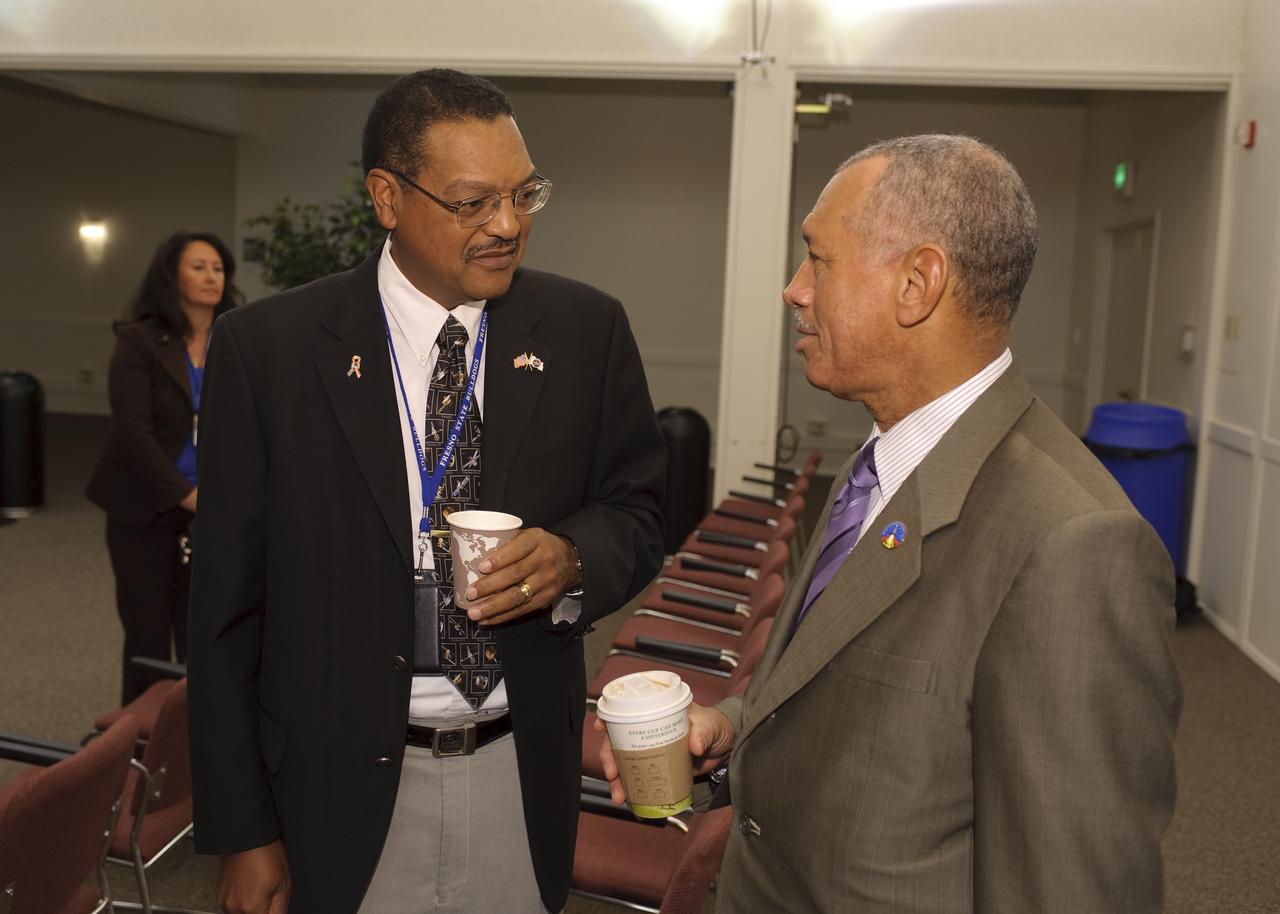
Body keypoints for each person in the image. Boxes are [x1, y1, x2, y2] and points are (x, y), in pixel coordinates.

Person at [600, 134, 1182, 913]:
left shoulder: (1074, 544)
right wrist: (732, 727)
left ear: (918, 284)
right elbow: (847, 682)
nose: (794, 289)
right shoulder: (885, 457)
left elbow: (1070, 886)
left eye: (819, 260)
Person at [187, 68, 666, 914]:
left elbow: (640, 511)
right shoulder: (269, 352)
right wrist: (241, 829)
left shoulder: (587, 331)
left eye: (524, 195)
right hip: (334, 782)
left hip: (518, 770)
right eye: (473, 202)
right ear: (387, 197)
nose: (508, 225)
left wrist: (572, 557)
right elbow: (223, 613)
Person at [86, 230, 242, 703]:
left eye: (218, 268)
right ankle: (140, 736)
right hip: (143, 505)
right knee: (148, 636)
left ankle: (195, 735)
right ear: (171, 276)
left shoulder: (235, 339)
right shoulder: (138, 340)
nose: (212, 276)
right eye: (199, 267)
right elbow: (134, 433)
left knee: (202, 634)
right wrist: (187, 495)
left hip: (212, 510)